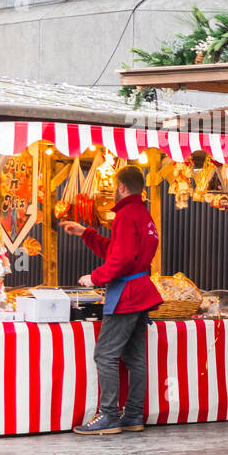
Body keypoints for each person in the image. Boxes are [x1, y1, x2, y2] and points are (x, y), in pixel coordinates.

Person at [61, 165, 164, 435]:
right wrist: (86, 233)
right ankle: (132, 416)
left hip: (127, 294)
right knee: (135, 358)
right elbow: (120, 250)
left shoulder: (126, 215)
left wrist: (95, 277)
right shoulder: (143, 214)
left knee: (105, 354)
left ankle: (108, 415)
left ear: (120, 187)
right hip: (141, 291)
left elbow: (121, 259)